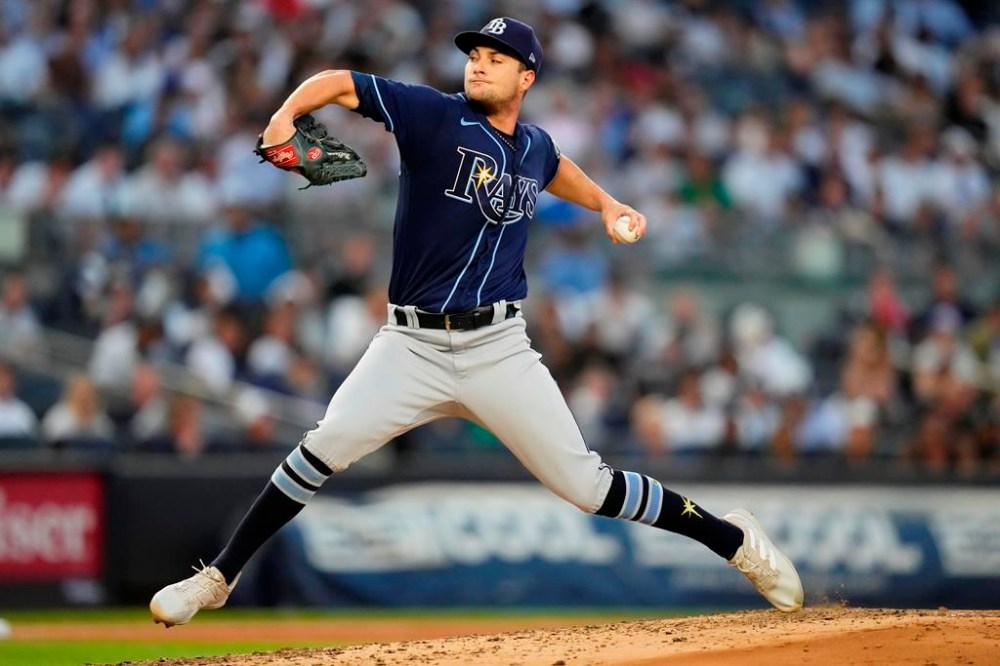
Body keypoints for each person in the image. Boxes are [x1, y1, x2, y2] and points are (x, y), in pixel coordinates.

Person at [150, 17, 802, 627]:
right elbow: (342, 83)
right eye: (476, 56)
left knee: (587, 486)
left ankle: (734, 540)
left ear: (528, 78)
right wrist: (289, 113)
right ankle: (219, 577)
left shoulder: (534, 147)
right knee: (321, 450)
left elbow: (553, 167)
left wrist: (606, 203)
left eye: (498, 59)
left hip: (497, 347)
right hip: (410, 345)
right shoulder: (435, 116)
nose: (480, 66)